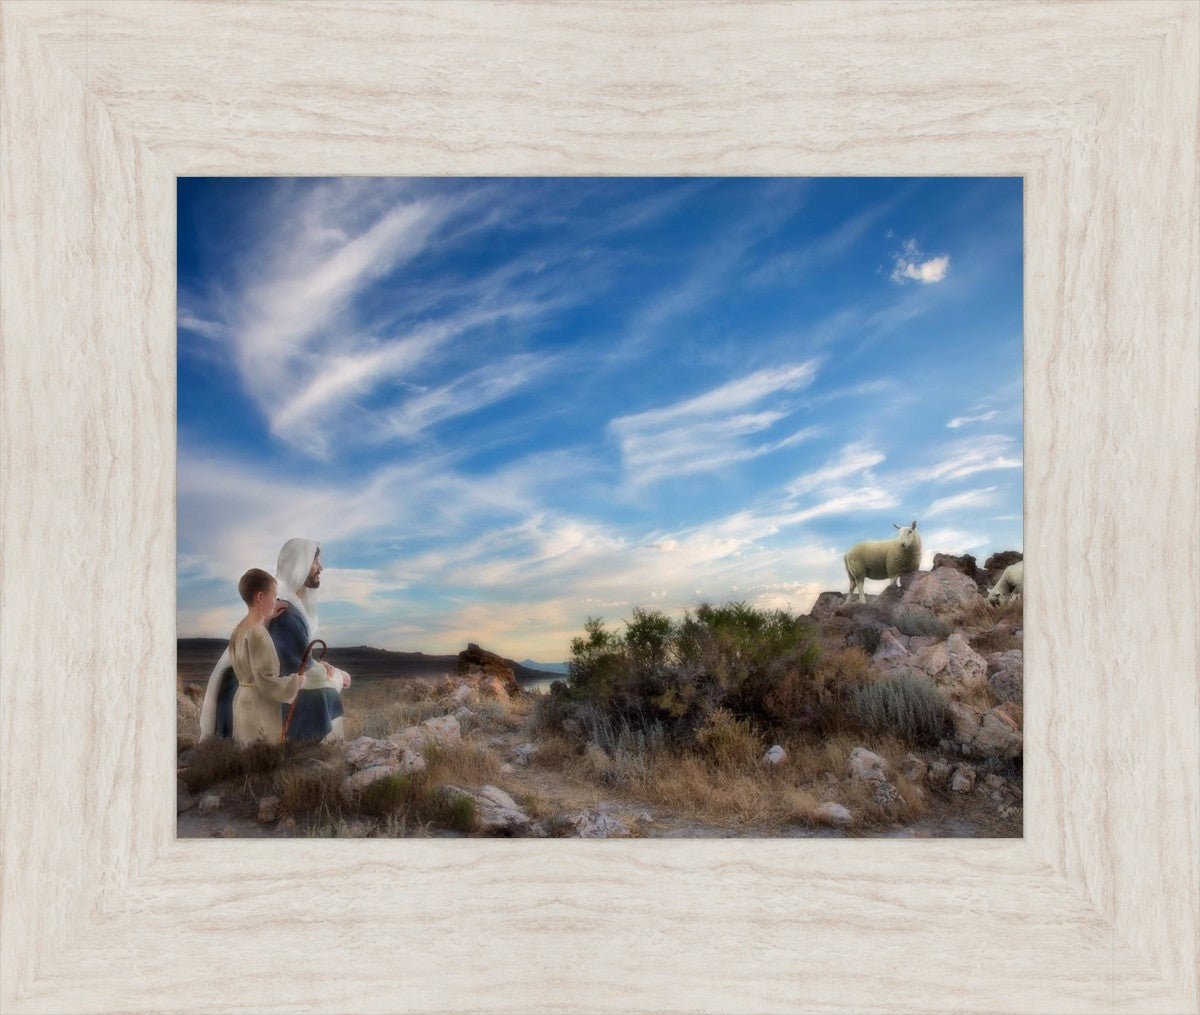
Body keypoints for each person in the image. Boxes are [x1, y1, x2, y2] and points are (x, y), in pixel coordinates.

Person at [198, 538, 351, 743]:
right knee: (328, 692)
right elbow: (290, 668)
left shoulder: (279, 607)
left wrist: (320, 666)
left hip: (247, 689)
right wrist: (338, 675)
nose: (320, 567)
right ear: (300, 564)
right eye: (315, 561)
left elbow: (293, 654)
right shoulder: (285, 612)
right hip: (264, 691)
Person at [227, 568, 303, 744]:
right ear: (260, 597)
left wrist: (265, 618)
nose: (276, 601)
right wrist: (295, 682)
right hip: (258, 705)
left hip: (241, 701)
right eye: (274, 596)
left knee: (244, 751)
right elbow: (266, 681)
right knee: (261, 754)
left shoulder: (238, 629)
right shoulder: (259, 634)